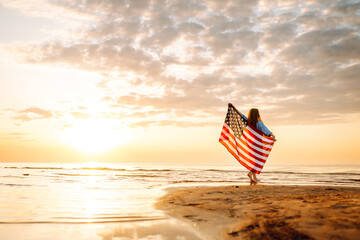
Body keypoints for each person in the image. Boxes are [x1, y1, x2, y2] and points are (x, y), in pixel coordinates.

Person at [241, 108, 276, 184]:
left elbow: (241, 116)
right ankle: (250, 173)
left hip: (252, 143)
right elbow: (265, 129)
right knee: (258, 160)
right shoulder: (259, 123)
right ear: (257, 114)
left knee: (254, 159)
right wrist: (272, 135)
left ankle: (254, 178)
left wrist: (232, 106)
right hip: (258, 143)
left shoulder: (248, 122)